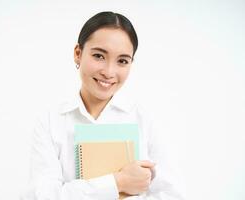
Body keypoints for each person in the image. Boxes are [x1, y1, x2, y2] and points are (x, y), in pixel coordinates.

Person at [22, 11, 185, 200]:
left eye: (122, 61)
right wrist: (119, 182)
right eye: (99, 56)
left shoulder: (145, 120)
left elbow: (172, 195)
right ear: (78, 53)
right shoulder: (51, 122)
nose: (109, 72)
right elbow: (42, 197)